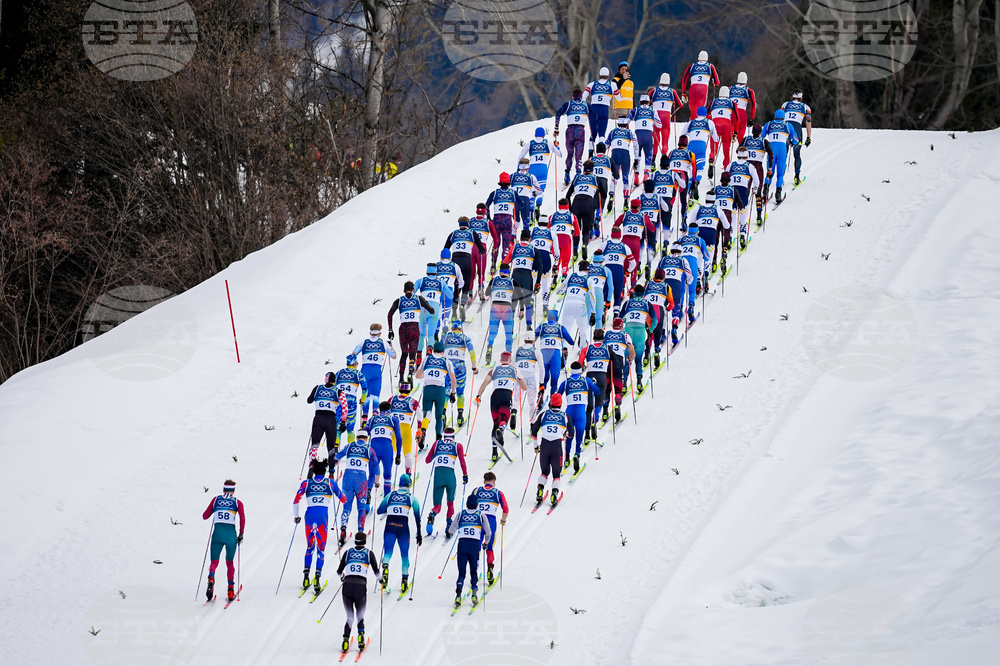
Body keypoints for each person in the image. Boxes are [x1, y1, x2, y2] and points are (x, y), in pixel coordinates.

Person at [294, 459, 347, 594]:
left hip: (309, 517)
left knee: (310, 546)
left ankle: (306, 577)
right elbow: (344, 499)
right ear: (325, 471)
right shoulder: (330, 483)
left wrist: (296, 516)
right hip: (323, 518)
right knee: (321, 549)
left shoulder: (306, 483)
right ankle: (317, 578)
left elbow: (296, 501)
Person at [475, 350, 527, 462]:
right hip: (506, 396)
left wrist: (478, 396)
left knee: (495, 423)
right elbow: (524, 387)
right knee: (504, 420)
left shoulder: (494, 370)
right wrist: (520, 384)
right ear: (510, 360)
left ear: (500, 360)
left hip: (494, 397)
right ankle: (502, 429)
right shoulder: (514, 370)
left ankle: (494, 453)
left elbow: (484, 383)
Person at [376, 472, 422, 592]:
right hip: (403, 528)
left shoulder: (390, 495)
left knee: (388, 552)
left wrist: (389, 507)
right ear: (409, 485)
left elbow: (379, 511)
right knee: (404, 554)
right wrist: (419, 533)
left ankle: (385, 567)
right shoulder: (412, 498)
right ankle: (404, 581)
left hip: (390, 526)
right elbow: (417, 516)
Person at [334, 429, 379, 546]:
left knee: (346, 507)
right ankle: (360, 531)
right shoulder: (369, 449)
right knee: (361, 508)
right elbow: (376, 467)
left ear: (357, 438)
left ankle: (343, 529)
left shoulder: (349, 446)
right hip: (361, 479)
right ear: (366, 439)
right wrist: (376, 482)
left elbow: (337, 456)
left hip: (348, 478)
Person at [336, 532, 380, 654]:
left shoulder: (348, 552)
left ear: (355, 541)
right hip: (360, 586)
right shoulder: (368, 553)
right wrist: (382, 581)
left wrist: (343, 578)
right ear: (365, 542)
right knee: (360, 615)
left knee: (349, 617)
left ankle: (345, 640)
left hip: (347, 585)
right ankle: (361, 638)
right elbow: (376, 571)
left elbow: (339, 572)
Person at [202, 479, 246, 602]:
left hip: (217, 534)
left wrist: (215, 511)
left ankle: (211, 578)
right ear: (234, 491)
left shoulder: (216, 500)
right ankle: (231, 589)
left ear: (223, 489)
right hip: (230, 535)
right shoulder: (238, 502)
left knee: (214, 561)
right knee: (229, 562)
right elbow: (242, 518)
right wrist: (241, 534)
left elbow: (205, 516)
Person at [386, 281, 436, 386]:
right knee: (412, 354)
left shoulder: (398, 301)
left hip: (403, 329)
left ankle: (400, 378)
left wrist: (390, 330)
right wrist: (427, 306)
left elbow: (390, 314)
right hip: (414, 328)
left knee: (404, 354)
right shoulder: (418, 299)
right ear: (413, 290)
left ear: (404, 291)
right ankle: (410, 375)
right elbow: (432, 311)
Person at [424, 426, 468, 538]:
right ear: (453, 436)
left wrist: (437, 454)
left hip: (438, 476)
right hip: (450, 476)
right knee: (450, 503)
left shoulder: (437, 443)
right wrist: (465, 475)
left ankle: (432, 514)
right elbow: (462, 462)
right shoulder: (458, 445)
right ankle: (448, 526)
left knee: (437, 505)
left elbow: (427, 460)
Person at [415, 340, 457, 447]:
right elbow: (453, 379)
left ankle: (423, 431)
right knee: (439, 415)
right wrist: (453, 393)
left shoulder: (427, 358)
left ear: (433, 350)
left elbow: (417, 375)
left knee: (427, 413)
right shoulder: (446, 361)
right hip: (440, 390)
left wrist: (427, 375)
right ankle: (438, 438)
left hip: (428, 388)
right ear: (443, 351)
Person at [471, 472, 509, 585]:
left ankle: (474, 573)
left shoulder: (476, 491)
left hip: (477, 521)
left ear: (484, 481)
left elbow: (470, 505)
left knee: (476, 547)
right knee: (490, 547)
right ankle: (490, 570)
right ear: (494, 482)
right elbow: (506, 509)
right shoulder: (498, 493)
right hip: (490, 521)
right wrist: (503, 520)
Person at [454, 494, 492, 608]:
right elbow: (488, 532)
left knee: (461, 573)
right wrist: (485, 542)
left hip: (462, 545)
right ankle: (474, 594)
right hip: (474, 545)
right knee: (473, 571)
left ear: (466, 504)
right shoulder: (481, 515)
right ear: (477, 505)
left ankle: (458, 596)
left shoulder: (460, 514)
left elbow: (452, 529)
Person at [353, 323, 396, 423]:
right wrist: (390, 346)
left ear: (370, 332)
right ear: (380, 333)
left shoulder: (363, 342)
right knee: (376, 395)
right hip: (376, 371)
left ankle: (364, 418)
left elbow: (353, 354)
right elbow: (394, 356)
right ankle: (374, 416)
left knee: (366, 395)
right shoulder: (383, 343)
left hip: (365, 371)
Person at [443, 216, 485, 317]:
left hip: (455, 260)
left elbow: (445, 249)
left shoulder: (453, 234)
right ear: (468, 224)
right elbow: (481, 248)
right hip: (467, 260)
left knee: (456, 287)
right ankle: (462, 304)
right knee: (466, 286)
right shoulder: (472, 233)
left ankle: (454, 310)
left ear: (459, 224)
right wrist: (481, 252)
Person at [531, 392, 569, 499]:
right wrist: (565, 434)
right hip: (557, 447)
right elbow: (571, 433)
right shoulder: (565, 416)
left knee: (544, 471)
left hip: (544, 446)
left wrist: (535, 446)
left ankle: (540, 489)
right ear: (561, 404)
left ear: (550, 403)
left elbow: (534, 432)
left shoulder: (543, 415)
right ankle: (554, 494)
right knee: (556, 474)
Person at [557, 363, 600, 458]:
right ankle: (577, 453)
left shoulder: (565, 382)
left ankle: (567, 457)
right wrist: (594, 384)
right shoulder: (586, 380)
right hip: (581, 413)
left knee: (569, 435)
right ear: (581, 371)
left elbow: (557, 396)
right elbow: (597, 391)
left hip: (569, 413)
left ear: (571, 371)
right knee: (579, 434)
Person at [441, 319, 478, 428]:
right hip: (460, 367)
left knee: (447, 391)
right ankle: (460, 416)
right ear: (461, 329)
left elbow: (438, 348)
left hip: (447, 366)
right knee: (460, 392)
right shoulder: (465, 338)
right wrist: (474, 367)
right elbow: (472, 353)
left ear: (452, 328)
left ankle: (443, 415)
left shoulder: (446, 336)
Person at [517, 127, 561, 217]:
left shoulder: (530, 143)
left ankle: (532, 209)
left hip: (532, 168)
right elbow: (560, 154)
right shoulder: (548, 142)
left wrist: (519, 168)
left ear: (535, 135)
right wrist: (557, 146)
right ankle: (538, 205)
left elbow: (520, 157)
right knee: (541, 190)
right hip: (543, 169)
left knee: (532, 190)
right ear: (544, 135)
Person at [504, 229, 542, 331]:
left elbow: (505, 263)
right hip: (527, 277)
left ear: (520, 238)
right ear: (530, 239)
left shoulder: (514, 247)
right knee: (528, 302)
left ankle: (510, 326)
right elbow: (540, 266)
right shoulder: (534, 249)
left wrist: (505, 277)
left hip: (515, 275)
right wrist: (538, 282)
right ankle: (528, 327)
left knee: (513, 301)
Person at [620, 284, 656, 390]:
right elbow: (655, 320)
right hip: (640, 331)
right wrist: (650, 330)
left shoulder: (627, 303)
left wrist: (623, 325)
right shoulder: (647, 303)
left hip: (628, 330)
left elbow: (619, 318)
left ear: (634, 293)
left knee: (627, 358)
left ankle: (624, 383)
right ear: (644, 293)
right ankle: (639, 382)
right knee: (638, 359)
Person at [658, 243, 695, 345]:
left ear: (671, 251)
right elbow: (690, 275)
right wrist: (689, 281)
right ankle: (674, 328)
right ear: (680, 251)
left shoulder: (663, 259)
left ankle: (662, 332)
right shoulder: (683, 260)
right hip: (676, 286)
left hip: (664, 286)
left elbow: (657, 273)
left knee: (664, 309)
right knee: (676, 308)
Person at [306, 371, 347, 460]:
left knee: (315, 445)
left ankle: (311, 465)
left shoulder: (317, 388)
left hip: (318, 418)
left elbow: (309, 400)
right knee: (331, 448)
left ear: (326, 379)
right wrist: (343, 422)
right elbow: (345, 407)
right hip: (331, 419)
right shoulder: (338, 391)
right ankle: (331, 470)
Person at [613, 199, 654, 286]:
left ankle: (622, 287)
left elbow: (615, 226)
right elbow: (652, 228)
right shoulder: (644, 216)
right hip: (636, 242)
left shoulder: (624, 215)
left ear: (631, 206)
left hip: (625, 241)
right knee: (634, 264)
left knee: (624, 264)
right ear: (639, 207)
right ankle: (633, 286)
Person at [555, 261, 597, 346]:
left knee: (566, 329)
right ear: (588, 270)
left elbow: (558, 291)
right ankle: (582, 349)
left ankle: (564, 349)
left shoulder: (571, 275)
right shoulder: (589, 280)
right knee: (583, 330)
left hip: (568, 304)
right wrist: (593, 312)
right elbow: (592, 296)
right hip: (580, 305)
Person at [762, 109, 800, 204]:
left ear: (775, 116)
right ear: (784, 117)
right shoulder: (788, 125)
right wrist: (792, 142)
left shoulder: (768, 124)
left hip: (771, 149)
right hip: (782, 149)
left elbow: (761, 137)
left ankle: (765, 192)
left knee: (769, 171)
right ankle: (778, 194)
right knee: (780, 174)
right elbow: (796, 139)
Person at [579, 329, 612, 434]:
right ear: (603, 339)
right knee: (599, 403)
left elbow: (579, 364)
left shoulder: (587, 348)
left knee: (589, 407)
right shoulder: (607, 348)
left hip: (590, 378)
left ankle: (587, 434)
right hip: (602, 378)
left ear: (593, 338)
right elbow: (616, 361)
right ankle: (595, 419)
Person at [554, 88, 590, 185]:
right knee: (579, 155)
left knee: (570, 154)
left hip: (570, 131)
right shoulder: (586, 105)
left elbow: (558, 114)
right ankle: (578, 173)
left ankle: (567, 173)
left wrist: (556, 128)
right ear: (582, 97)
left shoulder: (568, 104)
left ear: (572, 97)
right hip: (580, 131)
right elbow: (595, 116)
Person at [536, 308, 575, 395]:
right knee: (554, 380)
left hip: (544, 355)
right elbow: (571, 341)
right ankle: (553, 399)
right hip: (555, 355)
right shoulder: (560, 328)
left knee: (544, 378)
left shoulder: (541, 326)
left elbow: (532, 338)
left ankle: (540, 397)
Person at [367, 401, 402, 496]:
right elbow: (399, 437)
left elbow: (364, 433)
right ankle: (386, 501)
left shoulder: (372, 419)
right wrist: (398, 454)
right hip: (387, 448)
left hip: (374, 448)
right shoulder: (393, 419)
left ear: (379, 409)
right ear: (389, 410)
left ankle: (367, 496)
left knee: (372, 475)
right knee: (387, 475)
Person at [684, 106, 720, 201]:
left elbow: (682, 135)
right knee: (700, 169)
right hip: (701, 147)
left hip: (691, 147)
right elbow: (716, 139)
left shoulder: (690, 122)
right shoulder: (709, 122)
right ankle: (696, 183)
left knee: (691, 171)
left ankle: (689, 194)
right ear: (706, 114)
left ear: (697, 113)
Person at [566, 160, 600, 260]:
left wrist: (570, 208)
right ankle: (584, 244)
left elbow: (568, 195)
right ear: (592, 170)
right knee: (586, 229)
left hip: (576, 203)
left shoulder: (577, 177)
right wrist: (595, 208)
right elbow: (599, 195)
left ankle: (575, 251)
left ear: (584, 170)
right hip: (588, 203)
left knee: (576, 230)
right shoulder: (595, 178)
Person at [603, 318, 635, 421]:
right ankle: (617, 404)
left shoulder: (606, 333)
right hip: (618, 361)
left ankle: (604, 411)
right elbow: (631, 347)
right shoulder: (625, 335)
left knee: (606, 387)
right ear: (622, 326)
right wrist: (631, 357)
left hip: (606, 362)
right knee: (618, 385)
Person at [483, 262, 516, 363]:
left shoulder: (494, 280)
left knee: (492, 332)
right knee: (508, 334)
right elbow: (518, 295)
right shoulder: (512, 281)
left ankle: (489, 346)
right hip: (507, 308)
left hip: (495, 307)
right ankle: (508, 354)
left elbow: (487, 293)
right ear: (508, 272)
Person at [602, 226, 637, 316]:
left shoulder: (605, 244)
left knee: (605, 291)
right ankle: (616, 314)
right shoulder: (625, 247)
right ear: (620, 236)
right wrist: (627, 272)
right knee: (617, 295)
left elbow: (597, 257)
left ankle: (603, 311)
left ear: (611, 235)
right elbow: (633, 263)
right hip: (618, 271)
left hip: (607, 270)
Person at [728, 147, 761, 245]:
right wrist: (755, 189)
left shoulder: (731, 165)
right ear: (747, 156)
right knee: (743, 214)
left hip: (732, 191)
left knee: (732, 214)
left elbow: (725, 176)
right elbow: (757, 180)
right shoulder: (749, 166)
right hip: (743, 191)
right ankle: (742, 235)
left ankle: (729, 237)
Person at [582, 66, 617, 156]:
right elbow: (619, 98)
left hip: (593, 109)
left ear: (598, 75)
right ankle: (601, 154)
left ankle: (590, 155)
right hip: (604, 110)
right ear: (608, 76)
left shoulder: (592, 84)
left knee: (593, 134)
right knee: (602, 134)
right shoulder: (612, 84)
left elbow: (583, 97)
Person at [414, 263, 449, 351]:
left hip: (423, 308)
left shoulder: (420, 281)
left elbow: (412, 293)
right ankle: (430, 350)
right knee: (430, 334)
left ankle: (418, 355)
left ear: (426, 272)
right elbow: (450, 295)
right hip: (434, 309)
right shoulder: (441, 281)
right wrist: (445, 287)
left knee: (422, 334)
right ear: (436, 273)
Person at [644, 269, 674, 368]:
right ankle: (657, 351)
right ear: (664, 278)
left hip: (648, 310)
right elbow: (672, 304)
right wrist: (667, 309)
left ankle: (646, 355)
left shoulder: (648, 284)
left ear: (654, 277)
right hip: (659, 310)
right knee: (658, 333)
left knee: (649, 333)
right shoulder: (666, 286)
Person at [781, 89, 812, 185]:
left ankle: (780, 178)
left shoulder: (785, 104)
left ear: (792, 97)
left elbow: (779, 118)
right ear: (801, 98)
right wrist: (808, 137)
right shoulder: (806, 107)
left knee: (784, 155)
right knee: (797, 154)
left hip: (784, 130)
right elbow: (808, 122)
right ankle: (797, 177)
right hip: (797, 131)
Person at [741, 124, 772, 224]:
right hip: (758, 167)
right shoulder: (764, 141)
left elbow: (739, 150)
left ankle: (742, 215)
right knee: (758, 192)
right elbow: (771, 154)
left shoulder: (746, 139)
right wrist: (770, 168)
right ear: (760, 132)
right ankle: (759, 216)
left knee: (746, 191)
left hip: (746, 167)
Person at [335, 355, 368, 445]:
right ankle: (350, 449)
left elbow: (333, 386)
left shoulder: (338, 373)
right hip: (351, 403)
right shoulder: (358, 373)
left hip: (340, 402)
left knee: (337, 427)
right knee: (350, 428)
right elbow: (365, 389)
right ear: (355, 364)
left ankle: (336, 450)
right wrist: (362, 400)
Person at [606, 115, 639, 205]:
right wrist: (636, 159)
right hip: (625, 156)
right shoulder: (630, 132)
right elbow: (636, 145)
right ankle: (625, 201)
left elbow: (606, 144)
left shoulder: (612, 132)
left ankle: (611, 196)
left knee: (614, 178)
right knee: (625, 179)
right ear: (626, 124)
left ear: (618, 123)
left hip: (615, 155)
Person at [649, 73, 683, 159]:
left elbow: (645, 101)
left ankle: (653, 160)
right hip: (666, 117)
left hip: (656, 117)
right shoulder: (672, 91)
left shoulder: (654, 91)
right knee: (665, 141)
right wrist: (672, 112)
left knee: (655, 141)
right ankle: (663, 160)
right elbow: (680, 105)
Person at [485, 172, 517, 261]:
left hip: (496, 220)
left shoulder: (494, 193)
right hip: (507, 220)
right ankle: (504, 263)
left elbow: (486, 206)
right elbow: (521, 205)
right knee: (506, 245)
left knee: (496, 243)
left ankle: (493, 263)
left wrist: (489, 218)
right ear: (508, 182)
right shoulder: (513, 192)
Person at [389, 382, 420, 474]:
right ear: (409, 391)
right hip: (405, 429)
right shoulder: (412, 401)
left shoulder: (392, 399)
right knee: (407, 454)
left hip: (393, 429)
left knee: (392, 452)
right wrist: (419, 428)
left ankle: (389, 474)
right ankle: (408, 474)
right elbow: (419, 413)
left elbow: (384, 410)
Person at [514, 331, 544, 424]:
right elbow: (542, 368)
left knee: (516, 400)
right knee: (531, 402)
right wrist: (541, 384)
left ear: (524, 340)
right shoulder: (536, 351)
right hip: (530, 376)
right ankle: (532, 423)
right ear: (533, 341)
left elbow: (511, 365)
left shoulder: (518, 350)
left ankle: (513, 413)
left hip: (519, 376)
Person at [628, 94, 660, 183]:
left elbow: (627, 120)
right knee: (648, 156)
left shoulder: (636, 109)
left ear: (639, 102)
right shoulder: (653, 110)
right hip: (648, 135)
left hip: (638, 135)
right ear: (649, 102)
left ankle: (636, 176)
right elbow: (659, 124)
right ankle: (646, 175)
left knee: (637, 156)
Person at [693, 189, 725, 274]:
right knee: (708, 257)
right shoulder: (718, 209)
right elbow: (727, 225)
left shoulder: (698, 208)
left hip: (700, 235)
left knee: (700, 259)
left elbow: (691, 224)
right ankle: (706, 274)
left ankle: (699, 278)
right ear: (714, 200)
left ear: (705, 199)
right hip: (711, 235)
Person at [529, 215, 558, 309]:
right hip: (546, 258)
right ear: (547, 224)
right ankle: (545, 304)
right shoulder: (552, 232)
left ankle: (532, 299)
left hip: (534, 258)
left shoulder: (532, 230)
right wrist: (556, 265)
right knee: (545, 283)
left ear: (538, 222)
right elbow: (557, 252)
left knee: (533, 281)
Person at [468, 203, 500, 290]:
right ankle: (480, 289)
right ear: (485, 212)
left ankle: (469, 292)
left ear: (476, 211)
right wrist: (494, 248)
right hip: (481, 247)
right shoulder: (488, 222)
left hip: (470, 248)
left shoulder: (470, 221)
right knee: (481, 271)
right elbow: (496, 239)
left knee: (471, 272)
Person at [681, 50, 720, 118]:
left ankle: (692, 124)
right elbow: (717, 82)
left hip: (693, 88)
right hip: (703, 88)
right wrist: (713, 80)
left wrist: (684, 92)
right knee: (701, 110)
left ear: (698, 58)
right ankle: (700, 125)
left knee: (693, 111)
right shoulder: (710, 66)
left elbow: (684, 79)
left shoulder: (692, 66)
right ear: (706, 58)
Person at [708, 86, 735, 178]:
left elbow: (707, 114)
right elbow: (737, 118)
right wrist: (735, 132)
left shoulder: (713, 101)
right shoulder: (732, 102)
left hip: (715, 126)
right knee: (726, 151)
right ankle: (726, 171)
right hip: (726, 127)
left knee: (713, 149)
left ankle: (711, 160)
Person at [549, 200, 580, 278]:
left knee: (557, 260)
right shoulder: (572, 216)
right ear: (567, 205)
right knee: (565, 262)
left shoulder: (552, 216)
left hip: (555, 240)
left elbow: (547, 229)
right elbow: (578, 232)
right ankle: (564, 275)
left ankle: (554, 276)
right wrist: (574, 233)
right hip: (566, 240)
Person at [511, 157, 542, 232]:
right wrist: (534, 193)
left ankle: (511, 241)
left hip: (514, 201)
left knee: (516, 223)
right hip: (525, 200)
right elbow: (539, 190)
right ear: (528, 167)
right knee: (526, 223)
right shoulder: (531, 176)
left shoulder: (512, 175)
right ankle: (525, 240)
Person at [668, 135, 697, 213]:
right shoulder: (690, 153)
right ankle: (684, 221)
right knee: (683, 200)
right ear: (687, 143)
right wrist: (694, 181)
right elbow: (694, 168)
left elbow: (667, 165)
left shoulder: (671, 152)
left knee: (671, 198)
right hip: (682, 175)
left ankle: (668, 217)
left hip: (672, 174)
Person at [587, 250, 614, 328]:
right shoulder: (606, 269)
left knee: (587, 318)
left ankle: (584, 338)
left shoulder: (588, 268)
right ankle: (598, 338)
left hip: (588, 293)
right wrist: (608, 301)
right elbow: (611, 287)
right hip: (599, 293)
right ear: (602, 260)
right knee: (598, 318)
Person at [437, 248, 465, 322]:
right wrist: (459, 286)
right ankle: (445, 324)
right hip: (449, 291)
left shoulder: (436, 266)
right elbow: (461, 282)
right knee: (445, 314)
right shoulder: (455, 266)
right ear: (450, 256)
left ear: (440, 256)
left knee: (438, 313)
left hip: (438, 292)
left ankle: (437, 328)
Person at [730, 72, 757, 145]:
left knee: (729, 136)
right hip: (741, 113)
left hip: (731, 112)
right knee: (741, 138)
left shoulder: (730, 88)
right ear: (746, 81)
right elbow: (753, 104)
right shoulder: (749, 91)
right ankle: (741, 153)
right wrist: (752, 117)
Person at [591, 143, 613, 226]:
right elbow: (616, 174)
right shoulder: (608, 159)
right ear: (605, 150)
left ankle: (591, 222)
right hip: (603, 181)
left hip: (593, 181)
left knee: (593, 200)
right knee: (602, 199)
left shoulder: (592, 158)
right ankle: (597, 218)